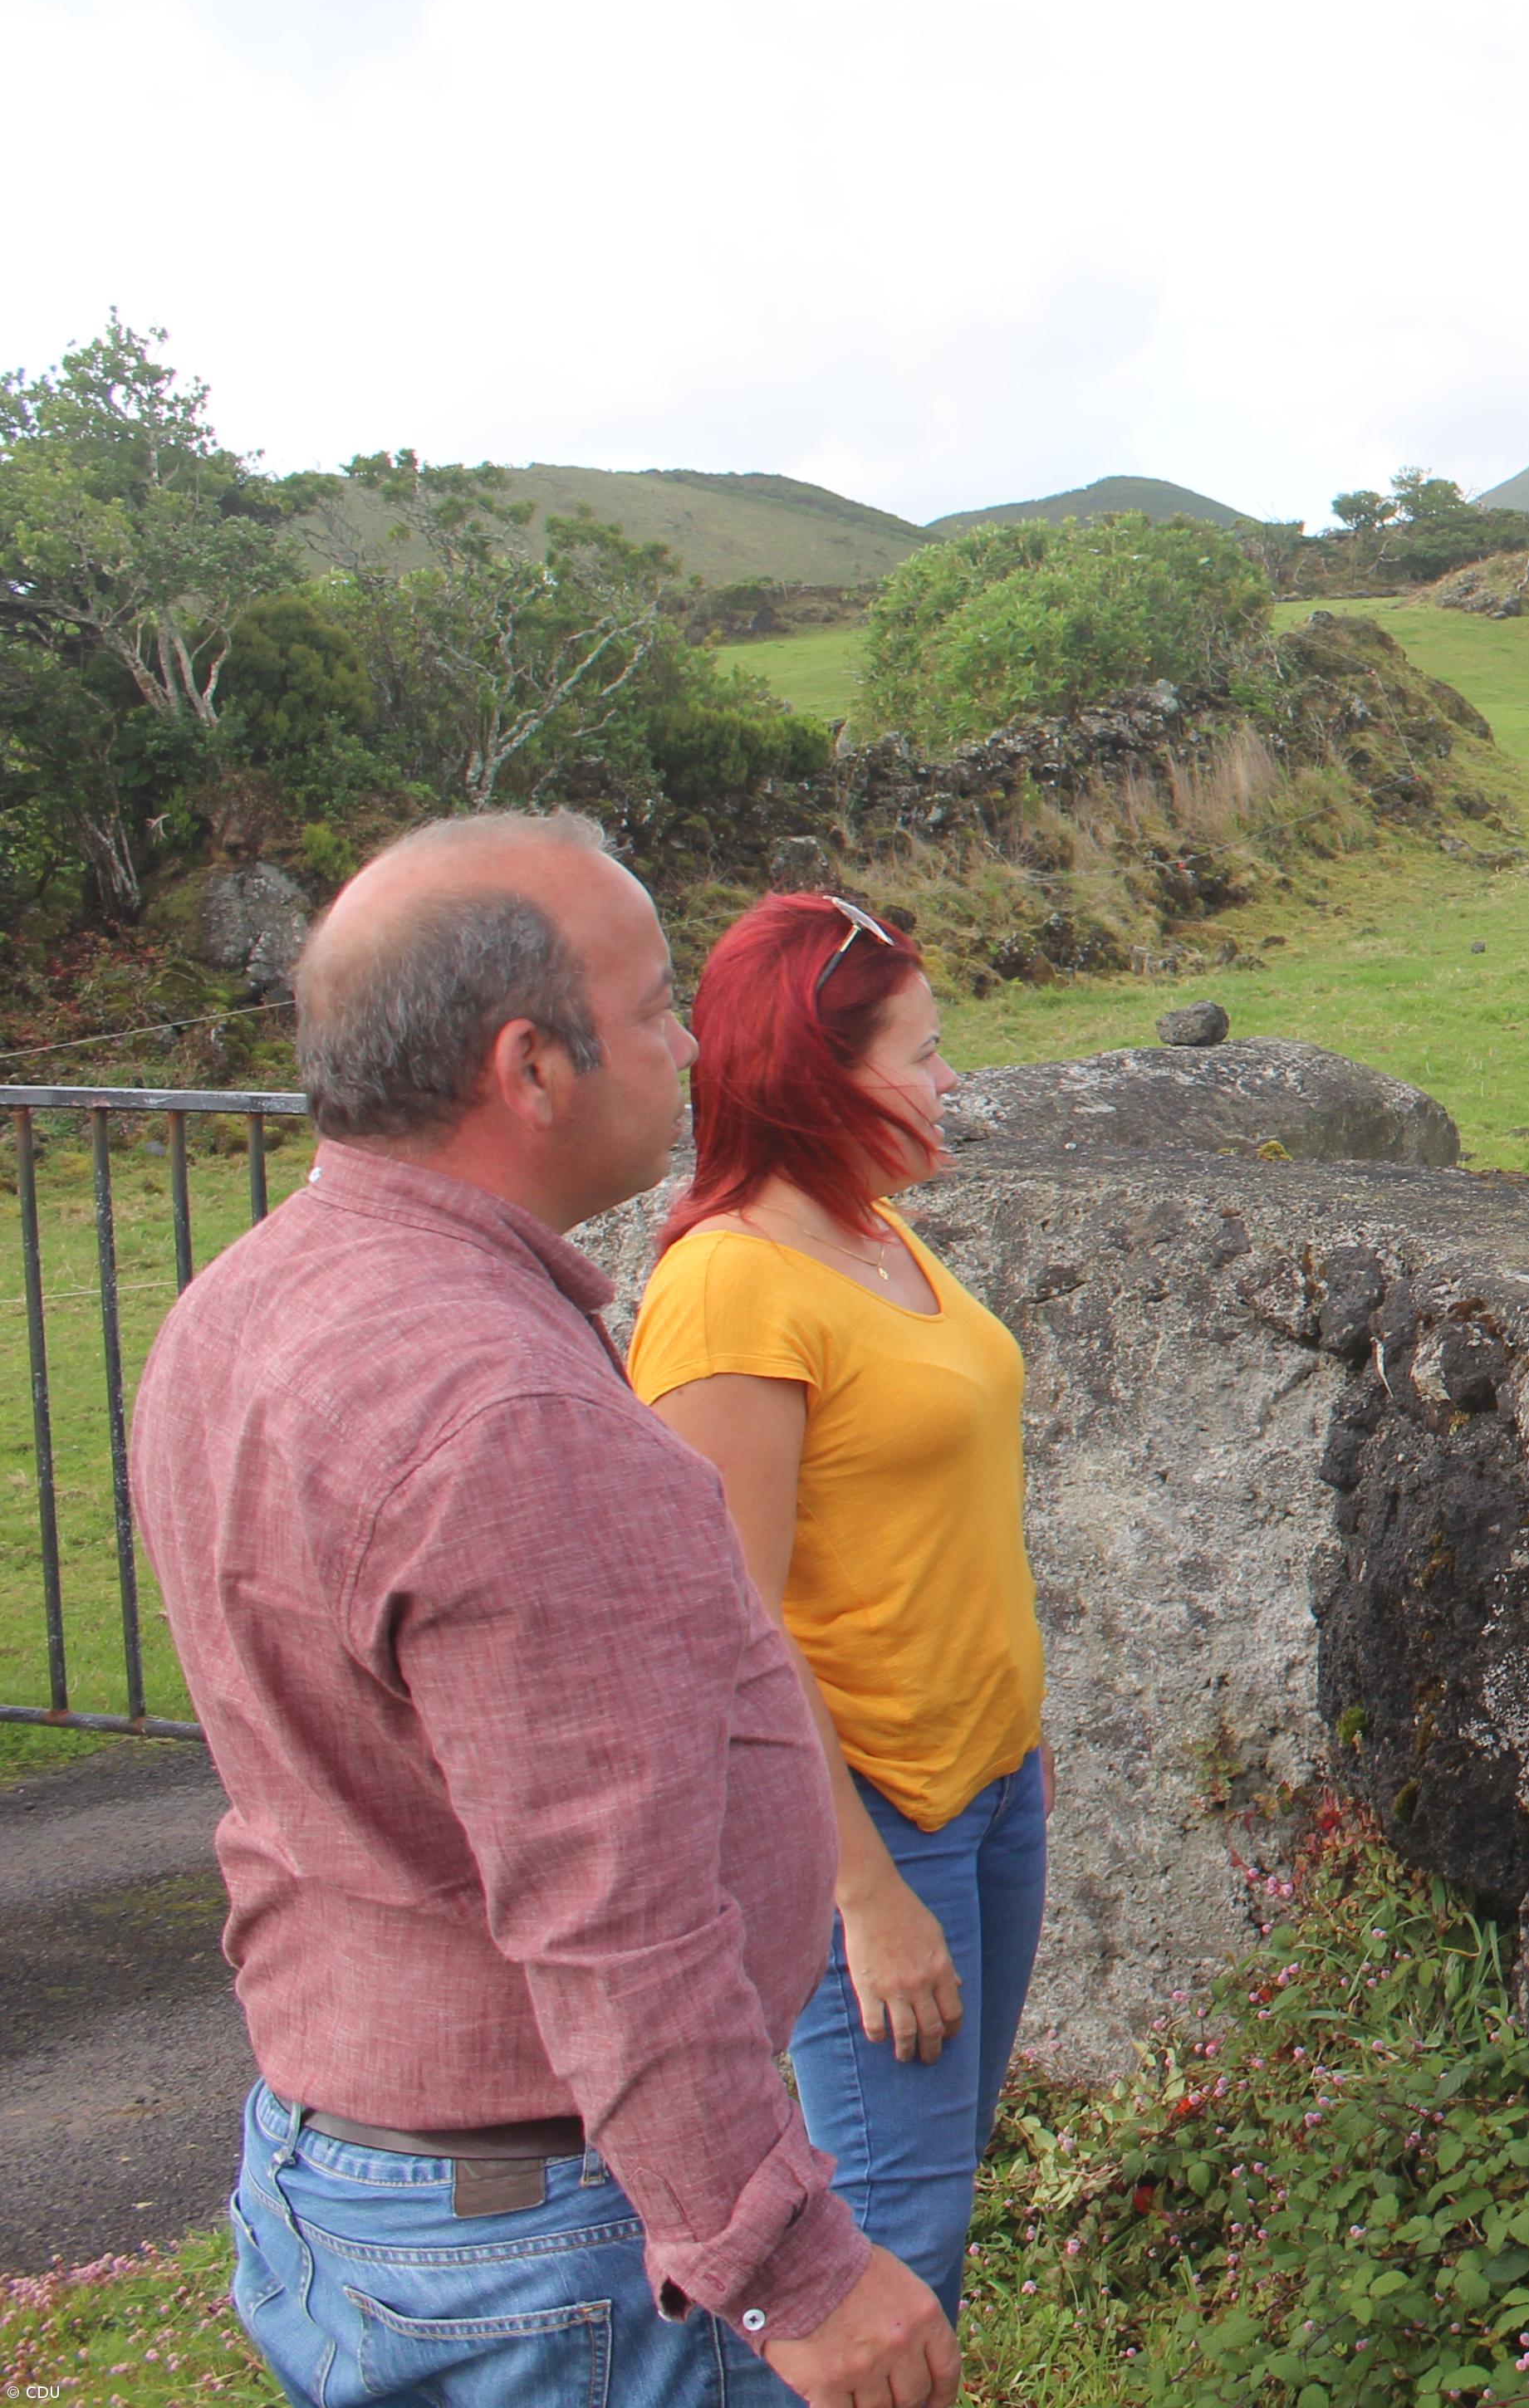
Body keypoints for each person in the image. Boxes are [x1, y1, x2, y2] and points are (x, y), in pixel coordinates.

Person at [131, 810, 953, 2408]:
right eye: (651, 1010)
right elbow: (620, 1926)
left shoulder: (243, 1300)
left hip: (346, 2164)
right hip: (548, 2244)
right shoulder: (512, 1416)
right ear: (531, 1068)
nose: (691, 1049)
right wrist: (794, 2272)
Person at [630, 891, 1046, 2324]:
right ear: (820, 1076)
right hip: (870, 1825)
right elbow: (730, 1632)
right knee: (886, 2245)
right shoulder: (730, 1291)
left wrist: (1017, 1743)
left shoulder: (871, 1236)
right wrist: (860, 1896)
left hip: (986, 1787)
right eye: (921, 1055)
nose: (950, 1080)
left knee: (932, 2192)